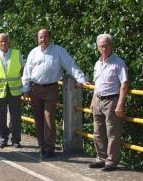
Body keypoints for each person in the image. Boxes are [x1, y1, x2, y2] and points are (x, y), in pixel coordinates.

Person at [22, 28, 87, 158]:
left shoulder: (58, 51)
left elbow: (70, 65)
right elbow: (27, 73)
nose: (43, 39)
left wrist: (82, 79)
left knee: (49, 118)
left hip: (51, 89)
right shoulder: (33, 53)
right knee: (38, 118)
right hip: (35, 89)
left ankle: (50, 147)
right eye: (40, 37)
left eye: (45, 36)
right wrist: (25, 90)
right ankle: (42, 146)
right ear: (38, 39)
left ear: (50, 38)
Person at [85, 34, 129, 171]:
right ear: (98, 48)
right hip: (98, 99)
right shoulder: (98, 63)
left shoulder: (118, 63)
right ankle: (101, 158)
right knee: (98, 132)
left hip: (112, 100)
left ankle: (111, 161)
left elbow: (124, 83)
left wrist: (120, 103)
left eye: (106, 46)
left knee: (112, 132)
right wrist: (93, 100)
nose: (104, 49)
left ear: (111, 46)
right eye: (101, 46)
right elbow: (97, 83)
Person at [0, 33, 24, 149]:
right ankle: (2, 139)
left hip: (14, 90)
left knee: (16, 116)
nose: (4, 43)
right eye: (1, 41)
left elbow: (23, 70)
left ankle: (16, 139)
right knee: (0, 116)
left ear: (9, 42)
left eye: (6, 41)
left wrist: (24, 86)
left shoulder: (16, 53)